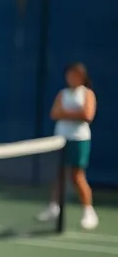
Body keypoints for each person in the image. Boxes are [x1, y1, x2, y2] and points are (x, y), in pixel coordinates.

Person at [38, 62, 99, 230]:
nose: (72, 78)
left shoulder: (87, 94)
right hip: (60, 140)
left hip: (79, 140)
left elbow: (87, 114)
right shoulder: (62, 93)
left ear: (82, 77)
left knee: (77, 177)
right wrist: (73, 114)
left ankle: (88, 212)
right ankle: (53, 208)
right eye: (69, 75)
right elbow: (54, 113)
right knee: (58, 176)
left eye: (76, 75)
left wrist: (65, 114)